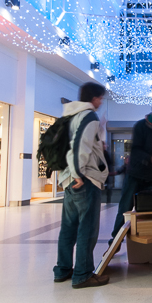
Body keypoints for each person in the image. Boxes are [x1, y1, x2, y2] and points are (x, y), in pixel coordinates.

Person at [53, 82, 110, 289]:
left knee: (68, 227)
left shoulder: (71, 115)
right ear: (93, 98)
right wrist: (78, 173)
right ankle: (83, 274)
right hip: (84, 179)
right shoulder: (88, 116)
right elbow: (80, 146)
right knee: (87, 227)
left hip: (68, 178)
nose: (101, 102)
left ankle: (63, 269)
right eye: (100, 98)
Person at [110, 100, 152, 238]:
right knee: (125, 208)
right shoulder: (141, 126)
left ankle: (149, 246)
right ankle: (114, 243)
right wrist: (151, 159)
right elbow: (136, 150)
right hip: (136, 175)